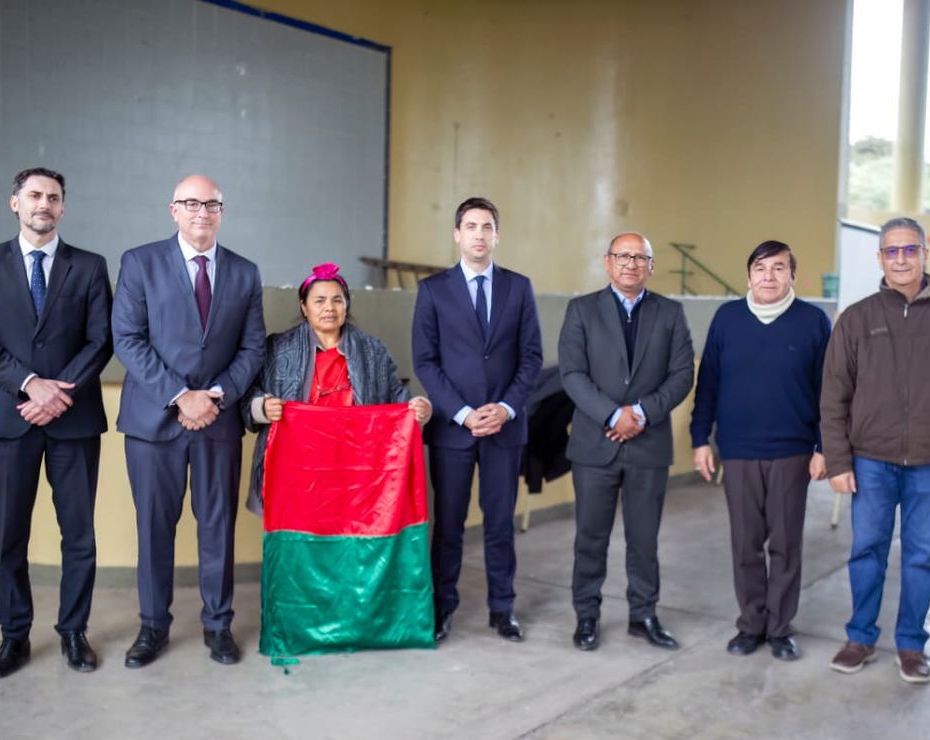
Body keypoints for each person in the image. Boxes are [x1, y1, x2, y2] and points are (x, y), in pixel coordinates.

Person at [821, 217, 930, 684]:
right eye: (892, 251)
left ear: (924, 254)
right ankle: (860, 637)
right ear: (880, 258)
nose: (901, 259)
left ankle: (912, 644)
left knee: (921, 556)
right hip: (870, 460)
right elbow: (834, 395)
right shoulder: (857, 319)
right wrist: (838, 459)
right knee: (867, 551)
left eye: (909, 249)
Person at [0, 167, 113, 678]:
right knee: (10, 535)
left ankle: (74, 632)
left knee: (80, 536)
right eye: (34, 195)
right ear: (15, 203)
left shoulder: (89, 267)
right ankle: (13, 637)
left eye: (52, 197)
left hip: (74, 420)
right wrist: (29, 384)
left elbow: (101, 341)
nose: (43, 203)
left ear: (63, 207)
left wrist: (57, 393)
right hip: (10, 418)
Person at [113, 175, 266, 667]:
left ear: (222, 212)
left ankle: (218, 625)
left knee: (217, 526)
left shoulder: (244, 272)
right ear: (173, 210)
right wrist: (181, 397)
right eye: (191, 203)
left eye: (211, 204)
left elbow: (252, 347)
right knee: (154, 528)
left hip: (217, 421)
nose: (202, 211)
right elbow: (127, 338)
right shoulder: (139, 263)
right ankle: (153, 627)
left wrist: (215, 396)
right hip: (153, 422)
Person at [690, 240, 831, 661]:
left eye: (778, 268)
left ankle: (781, 627)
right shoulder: (728, 318)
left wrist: (824, 446)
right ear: (749, 275)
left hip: (792, 451)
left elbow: (827, 390)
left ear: (792, 275)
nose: (769, 276)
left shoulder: (813, 321)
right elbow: (708, 383)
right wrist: (700, 439)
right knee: (745, 543)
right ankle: (752, 624)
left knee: (786, 544)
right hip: (737, 450)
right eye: (760, 268)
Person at [412, 197, 543, 643]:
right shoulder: (433, 290)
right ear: (457, 234)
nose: (479, 235)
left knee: (499, 524)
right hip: (453, 430)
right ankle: (442, 607)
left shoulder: (519, 288)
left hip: (505, 428)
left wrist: (505, 408)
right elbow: (425, 361)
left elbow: (531, 358)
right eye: (471, 226)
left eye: (487, 227)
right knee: (448, 525)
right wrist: (465, 413)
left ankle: (502, 608)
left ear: (497, 235)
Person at [558, 232, 695, 651]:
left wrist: (642, 413)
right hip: (594, 444)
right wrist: (613, 414)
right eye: (623, 256)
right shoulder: (582, 310)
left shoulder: (670, 313)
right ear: (607, 262)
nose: (631, 264)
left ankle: (643, 615)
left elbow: (682, 375)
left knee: (644, 539)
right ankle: (586, 616)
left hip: (648, 445)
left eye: (640, 257)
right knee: (590, 537)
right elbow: (572, 374)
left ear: (651, 266)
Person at [241, 262, 432, 514]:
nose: (329, 308)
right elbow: (247, 395)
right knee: (298, 536)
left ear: (347, 305)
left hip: (354, 472)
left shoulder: (372, 351)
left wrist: (419, 408)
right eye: (319, 301)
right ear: (304, 307)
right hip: (296, 472)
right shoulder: (277, 349)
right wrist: (263, 407)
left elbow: (397, 398)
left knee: (347, 535)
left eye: (337, 300)